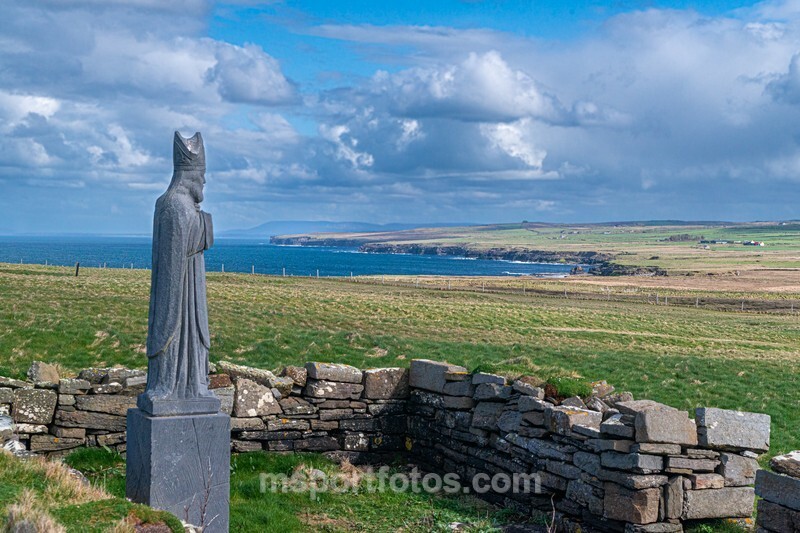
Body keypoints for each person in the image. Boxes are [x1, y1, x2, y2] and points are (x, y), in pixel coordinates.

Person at [139, 131, 218, 414]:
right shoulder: (173, 205)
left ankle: (194, 385)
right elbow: (174, 262)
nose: (205, 181)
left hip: (191, 292)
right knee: (179, 340)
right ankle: (173, 385)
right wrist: (203, 227)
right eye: (202, 175)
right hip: (180, 299)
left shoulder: (181, 205)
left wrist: (201, 222)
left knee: (196, 341)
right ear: (190, 174)